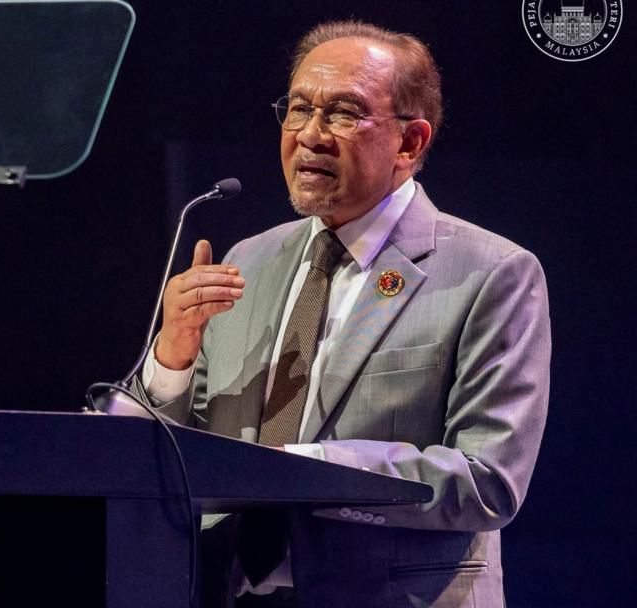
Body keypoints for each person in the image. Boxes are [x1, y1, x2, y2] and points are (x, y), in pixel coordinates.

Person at [141, 21, 550, 608]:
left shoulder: (490, 272)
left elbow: (487, 482)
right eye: (298, 109)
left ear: (409, 143)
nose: (310, 135)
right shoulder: (247, 261)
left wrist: (304, 471)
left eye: (343, 113)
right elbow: (178, 452)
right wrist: (172, 360)